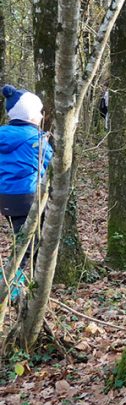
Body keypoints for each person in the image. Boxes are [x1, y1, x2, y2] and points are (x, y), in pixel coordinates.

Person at [0, 85, 53, 300]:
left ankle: (18, 283)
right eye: (39, 112)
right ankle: (9, 289)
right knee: (28, 244)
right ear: (31, 114)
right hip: (28, 197)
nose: (41, 116)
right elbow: (51, 164)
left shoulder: (2, 134)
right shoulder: (37, 139)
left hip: (5, 198)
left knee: (21, 236)